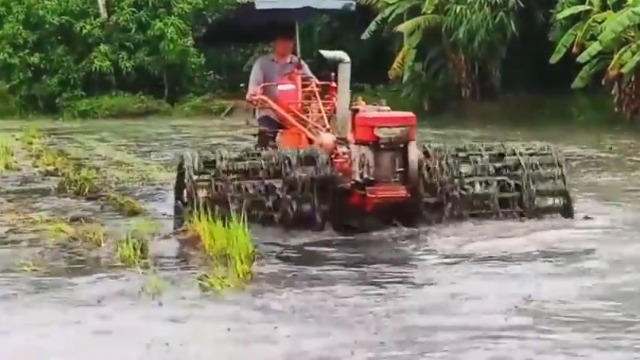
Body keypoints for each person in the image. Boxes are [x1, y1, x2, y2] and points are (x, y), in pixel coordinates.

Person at [246, 31, 317, 148]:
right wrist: (254, 93)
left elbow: (314, 85)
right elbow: (254, 88)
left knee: (315, 137)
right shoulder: (262, 64)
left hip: (297, 112)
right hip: (271, 111)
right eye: (283, 40)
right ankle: (264, 155)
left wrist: (310, 85)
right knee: (267, 136)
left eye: (290, 40)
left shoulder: (299, 64)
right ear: (275, 42)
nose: (287, 44)